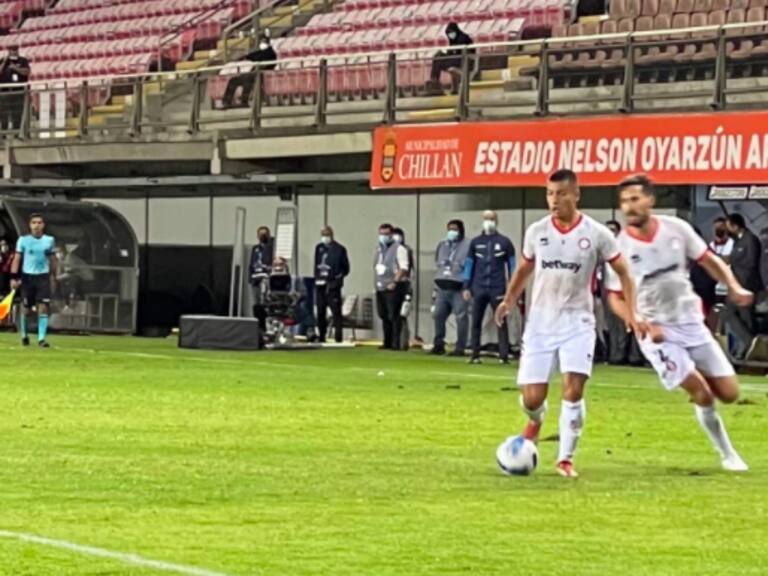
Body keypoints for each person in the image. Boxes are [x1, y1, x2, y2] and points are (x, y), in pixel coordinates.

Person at [494, 169, 641, 478]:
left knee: (572, 389)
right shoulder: (537, 231)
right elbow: (524, 269)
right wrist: (508, 300)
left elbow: (625, 272)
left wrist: (633, 311)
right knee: (532, 398)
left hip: (578, 322)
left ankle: (565, 458)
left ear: (576, 194)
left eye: (560, 193)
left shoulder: (597, 233)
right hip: (541, 323)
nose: (554, 200)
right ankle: (536, 419)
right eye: (549, 193)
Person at [605, 175, 750, 471]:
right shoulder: (619, 248)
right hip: (656, 332)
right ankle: (728, 454)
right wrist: (637, 320)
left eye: (634, 199)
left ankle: (692, 376)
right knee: (703, 393)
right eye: (624, 201)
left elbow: (709, 260)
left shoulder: (677, 229)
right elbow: (614, 297)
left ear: (650, 200)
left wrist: (733, 286)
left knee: (730, 393)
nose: (629, 207)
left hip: (691, 322)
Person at [464, 210, 516, 364]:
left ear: (496, 221)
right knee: (476, 322)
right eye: (486, 219)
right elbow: (469, 265)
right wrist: (466, 286)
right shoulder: (475, 242)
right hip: (478, 287)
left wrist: (512, 287)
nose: (489, 222)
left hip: (497, 287)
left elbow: (512, 266)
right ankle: (474, 354)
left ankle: (503, 355)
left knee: (500, 320)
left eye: (492, 219)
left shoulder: (505, 242)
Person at [10, 214, 57, 348]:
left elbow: (53, 260)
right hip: (27, 277)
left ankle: (41, 339)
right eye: (34, 222)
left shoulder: (49, 240)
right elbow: (17, 259)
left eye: (39, 222)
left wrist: (54, 276)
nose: (37, 225)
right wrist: (13, 277)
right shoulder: (23, 240)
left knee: (43, 307)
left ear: (43, 225)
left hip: (43, 277)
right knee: (26, 309)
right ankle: (24, 335)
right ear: (30, 225)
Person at [602, 220, 644, 366]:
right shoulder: (603, 247)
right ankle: (617, 355)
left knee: (635, 322)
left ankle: (636, 356)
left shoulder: (628, 247)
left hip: (631, 289)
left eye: (613, 230)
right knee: (615, 325)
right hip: (611, 288)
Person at [723, 213, 762, 359]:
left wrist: (733, 264)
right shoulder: (737, 241)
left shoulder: (750, 240)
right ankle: (747, 342)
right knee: (729, 314)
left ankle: (747, 351)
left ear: (735, 225)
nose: (727, 230)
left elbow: (751, 263)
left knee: (746, 318)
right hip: (735, 285)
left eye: (729, 226)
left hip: (746, 285)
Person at [431, 219, 470, 356]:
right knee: (438, 315)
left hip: (458, 286)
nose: (451, 232)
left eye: (454, 229)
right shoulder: (442, 245)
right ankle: (438, 344)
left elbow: (470, 266)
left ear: (461, 230)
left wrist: (467, 286)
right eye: (449, 229)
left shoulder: (468, 245)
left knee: (461, 317)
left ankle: (460, 347)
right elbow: (438, 262)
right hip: (442, 286)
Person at [374, 223, 409, 350]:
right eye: (381, 234)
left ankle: (396, 343)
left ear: (391, 235)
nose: (383, 236)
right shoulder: (379, 249)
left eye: (386, 234)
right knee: (383, 315)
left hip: (394, 287)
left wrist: (395, 281)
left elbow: (403, 268)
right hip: (380, 286)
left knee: (394, 316)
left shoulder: (399, 249)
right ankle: (387, 341)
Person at [314, 225, 350, 343]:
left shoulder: (339, 249)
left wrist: (337, 279)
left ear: (331, 234)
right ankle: (322, 336)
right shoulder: (319, 248)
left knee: (336, 312)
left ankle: (338, 337)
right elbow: (316, 266)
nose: (325, 237)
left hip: (333, 286)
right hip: (320, 285)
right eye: (323, 234)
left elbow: (346, 268)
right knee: (320, 312)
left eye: (327, 234)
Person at [222, 36, 278, 108]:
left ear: (269, 43)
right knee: (233, 80)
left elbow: (257, 58)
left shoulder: (271, 53)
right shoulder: (261, 52)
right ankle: (226, 102)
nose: (262, 44)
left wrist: (251, 57)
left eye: (264, 42)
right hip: (253, 73)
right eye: (261, 42)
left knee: (248, 79)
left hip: (263, 75)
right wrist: (243, 57)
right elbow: (251, 56)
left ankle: (244, 101)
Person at [426, 22, 476, 95]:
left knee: (441, 60)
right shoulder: (453, 40)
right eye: (448, 33)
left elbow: (461, 52)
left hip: (463, 61)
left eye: (451, 32)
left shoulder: (464, 38)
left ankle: (435, 81)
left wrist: (451, 53)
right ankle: (434, 80)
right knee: (438, 56)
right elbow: (451, 52)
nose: (450, 35)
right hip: (454, 59)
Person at [393, 227, 415, 351]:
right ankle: (395, 341)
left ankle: (403, 342)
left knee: (403, 315)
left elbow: (409, 269)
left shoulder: (406, 250)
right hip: (392, 285)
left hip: (404, 285)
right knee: (395, 315)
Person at [249, 226, 274, 332]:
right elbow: (251, 263)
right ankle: (258, 326)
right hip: (255, 279)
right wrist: (250, 277)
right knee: (256, 304)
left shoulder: (271, 248)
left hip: (266, 278)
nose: (262, 236)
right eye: (260, 234)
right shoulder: (255, 248)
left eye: (264, 234)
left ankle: (266, 327)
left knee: (265, 304)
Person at [0, 45, 30, 131]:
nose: (14, 52)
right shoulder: (3, 61)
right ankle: (3, 133)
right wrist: (4, 62)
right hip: (5, 91)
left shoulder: (23, 60)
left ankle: (17, 132)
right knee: (4, 114)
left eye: (15, 50)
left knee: (17, 114)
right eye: (11, 50)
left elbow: (26, 72)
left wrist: (16, 68)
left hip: (18, 91)